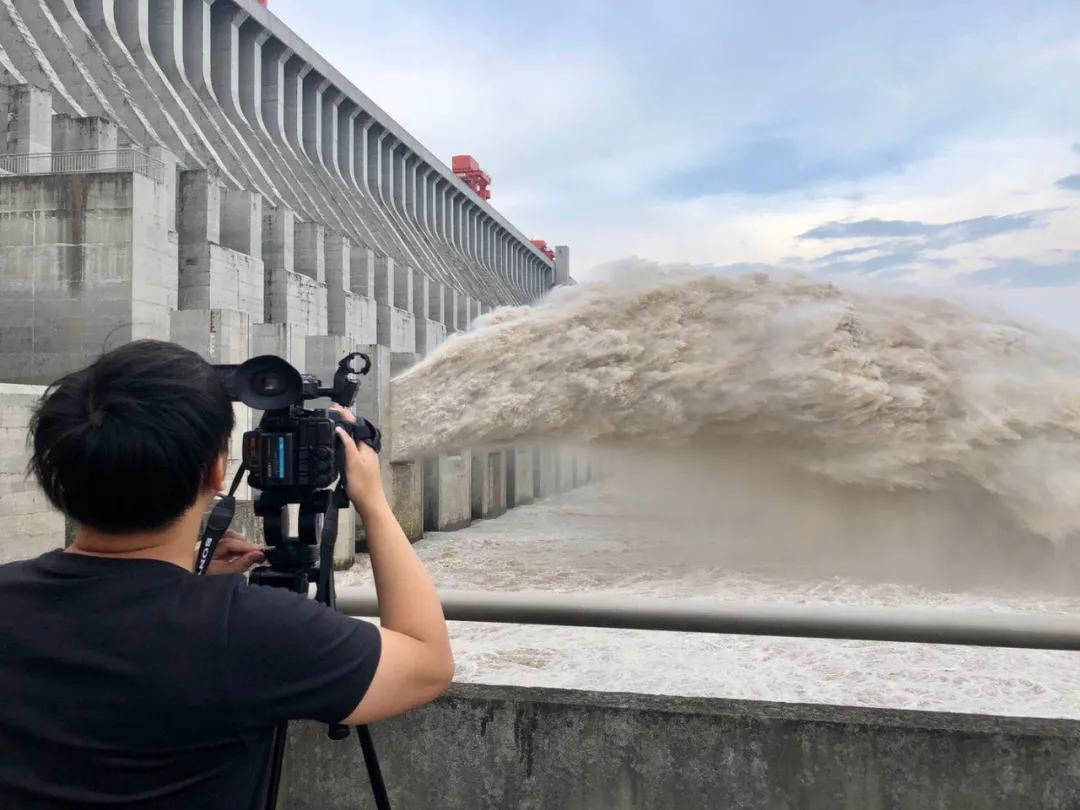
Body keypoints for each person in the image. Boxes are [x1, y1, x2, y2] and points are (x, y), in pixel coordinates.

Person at [0, 340, 454, 808]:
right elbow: (427, 665)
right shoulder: (252, 632)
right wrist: (373, 504)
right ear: (216, 472)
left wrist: (186, 573)